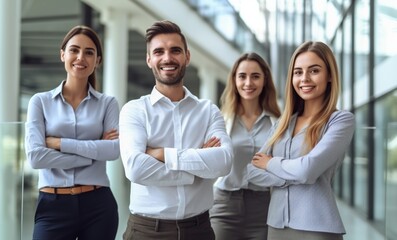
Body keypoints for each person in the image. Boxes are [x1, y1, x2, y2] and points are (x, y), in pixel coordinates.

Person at [119, 20, 233, 240]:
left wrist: (163, 154)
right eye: (159, 51)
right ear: (149, 59)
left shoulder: (208, 111)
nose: (167, 58)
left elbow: (224, 161)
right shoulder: (134, 110)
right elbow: (135, 168)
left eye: (175, 50)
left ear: (187, 57)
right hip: (147, 231)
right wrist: (198, 169)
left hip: (199, 230)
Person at [248, 41, 355, 240]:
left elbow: (308, 169)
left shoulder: (340, 121)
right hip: (276, 227)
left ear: (330, 75)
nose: (304, 78)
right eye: (298, 72)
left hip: (316, 228)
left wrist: (270, 164)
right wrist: (293, 176)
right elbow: (252, 170)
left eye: (314, 70)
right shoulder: (282, 123)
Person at [24, 25, 120, 240]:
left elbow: (113, 150)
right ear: (62, 55)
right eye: (74, 50)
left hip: (98, 205)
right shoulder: (40, 102)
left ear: (98, 60)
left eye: (89, 52)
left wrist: (60, 143)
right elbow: (36, 157)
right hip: (52, 205)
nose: (80, 57)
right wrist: (92, 153)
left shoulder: (108, 104)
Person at [210, 52, 281, 240]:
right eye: (242, 76)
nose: (248, 83)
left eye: (255, 76)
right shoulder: (220, 120)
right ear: (234, 80)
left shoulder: (278, 122)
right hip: (224, 204)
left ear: (265, 80)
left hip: (264, 207)